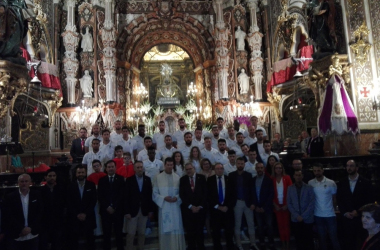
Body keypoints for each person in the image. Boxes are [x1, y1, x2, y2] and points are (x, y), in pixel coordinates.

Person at [337, 159, 374, 250]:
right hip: (347, 218)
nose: (349, 168)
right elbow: (339, 199)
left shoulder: (365, 182)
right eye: (347, 166)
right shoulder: (342, 182)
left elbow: (369, 200)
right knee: (348, 242)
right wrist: (345, 212)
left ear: (357, 168)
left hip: (361, 218)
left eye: (351, 166)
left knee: (362, 241)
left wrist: (358, 211)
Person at [153, 157, 186, 250]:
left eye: (171, 165)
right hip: (164, 207)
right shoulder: (158, 177)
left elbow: (181, 192)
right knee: (165, 229)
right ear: (164, 165)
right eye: (168, 165)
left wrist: (177, 197)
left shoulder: (177, 177)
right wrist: (163, 198)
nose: (170, 167)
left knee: (176, 228)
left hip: (175, 207)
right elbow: (155, 194)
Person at [3, 174, 42, 250]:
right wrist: (21, 228)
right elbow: (8, 215)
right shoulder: (10, 197)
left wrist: (31, 228)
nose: (24, 183)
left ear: (30, 182)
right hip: (17, 235)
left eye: (26, 181)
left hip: (33, 234)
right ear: (18, 183)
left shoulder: (36, 195)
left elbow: (40, 212)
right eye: (22, 181)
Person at [228, 157, 259, 250]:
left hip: (248, 202)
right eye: (239, 163)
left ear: (244, 164)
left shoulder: (248, 175)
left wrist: (253, 203)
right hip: (237, 202)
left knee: (251, 223)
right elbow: (229, 191)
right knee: (237, 224)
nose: (240, 165)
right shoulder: (231, 175)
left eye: (242, 163)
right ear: (236, 164)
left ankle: (253, 243)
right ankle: (238, 244)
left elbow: (252, 190)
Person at [308, 163, 341, 250]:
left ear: (322, 170)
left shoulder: (331, 183)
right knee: (322, 239)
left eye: (318, 170)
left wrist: (334, 209)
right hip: (318, 215)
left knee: (334, 238)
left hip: (330, 214)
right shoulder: (310, 183)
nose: (317, 172)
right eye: (314, 171)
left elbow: (334, 198)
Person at [125, 161, 154, 250]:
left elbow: (150, 196)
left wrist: (150, 210)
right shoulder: (129, 180)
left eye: (141, 167)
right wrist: (127, 211)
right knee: (131, 233)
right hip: (132, 211)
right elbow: (126, 197)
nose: (140, 169)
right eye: (137, 167)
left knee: (142, 233)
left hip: (144, 211)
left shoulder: (147, 179)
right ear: (134, 169)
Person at [66, 166, 97, 250]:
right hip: (75, 217)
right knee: (73, 241)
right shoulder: (70, 186)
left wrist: (85, 213)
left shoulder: (91, 185)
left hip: (88, 217)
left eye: (82, 172)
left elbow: (93, 201)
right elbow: (69, 202)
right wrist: (77, 214)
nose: (81, 174)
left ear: (85, 173)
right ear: (76, 174)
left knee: (90, 240)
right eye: (79, 172)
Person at [97, 160, 125, 250]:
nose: (111, 168)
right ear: (106, 168)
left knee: (118, 233)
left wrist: (114, 206)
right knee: (106, 234)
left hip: (118, 211)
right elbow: (100, 196)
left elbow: (122, 195)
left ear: (115, 168)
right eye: (109, 167)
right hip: (105, 211)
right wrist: (107, 207)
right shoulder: (102, 180)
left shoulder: (121, 179)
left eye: (112, 167)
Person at [179, 162, 207, 250]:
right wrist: (190, 206)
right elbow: (182, 195)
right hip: (188, 211)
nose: (188, 171)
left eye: (190, 169)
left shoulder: (201, 178)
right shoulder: (183, 180)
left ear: (194, 168)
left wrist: (199, 206)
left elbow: (205, 193)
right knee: (190, 232)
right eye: (186, 169)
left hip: (200, 210)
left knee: (200, 232)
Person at [207, 163, 235, 250]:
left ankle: (230, 247)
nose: (219, 170)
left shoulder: (229, 179)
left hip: (227, 210)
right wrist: (217, 206)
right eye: (217, 169)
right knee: (216, 232)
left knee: (229, 231)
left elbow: (233, 195)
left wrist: (227, 206)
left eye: (221, 168)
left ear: (223, 169)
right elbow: (208, 195)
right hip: (215, 210)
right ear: (214, 170)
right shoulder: (210, 180)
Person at [287, 170, 315, 250]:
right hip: (295, 218)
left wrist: (304, 216)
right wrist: (296, 215)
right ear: (294, 176)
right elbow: (289, 203)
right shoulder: (290, 188)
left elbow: (312, 202)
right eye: (296, 175)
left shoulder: (309, 187)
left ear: (302, 176)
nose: (298, 177)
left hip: (307, 218)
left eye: (300, 175)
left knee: (309, 240)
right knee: (298, 240)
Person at [40, 170, 66, 250]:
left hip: (58, 221)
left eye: (54, 176)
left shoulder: (61, 190)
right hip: (45, 222)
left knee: (57, 243)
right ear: (45, 177)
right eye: (50, 176)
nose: (52, 178)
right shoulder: (41, 191)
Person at [252, 162, 275, 250]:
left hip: (267, 208)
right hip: (257, 208)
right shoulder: (253, 180)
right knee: (260, 227)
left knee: (269, 226)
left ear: (264, 169)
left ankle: (271, 244)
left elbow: (271, 194)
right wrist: (256, 206)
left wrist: (264, 207)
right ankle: (262, 243)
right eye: (258, 168)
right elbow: (252, 194)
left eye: (261, 168)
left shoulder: (269, 180)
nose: (260, 169)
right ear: (256, 169)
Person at [272, 162, 292, 250]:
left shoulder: (287, 178)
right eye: (276, 168)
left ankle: (287, 244)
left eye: (280, 168)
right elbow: (270, 194)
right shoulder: (272, 179)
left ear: (282, 169)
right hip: (277, 206)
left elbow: (291, 192)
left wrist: (287, 204)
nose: (278, 170)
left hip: (285, 206)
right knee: (280, 226)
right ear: (274, 169)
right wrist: (275, 204)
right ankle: (282, 243)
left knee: (286, 225)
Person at [86, 160, 106, 236]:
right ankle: (98, 232)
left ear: (101, 166)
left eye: (98, 166)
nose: (96, 167)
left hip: (104, 198)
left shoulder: (104, 175)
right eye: (94, 166)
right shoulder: (90, 177)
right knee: (96, 214)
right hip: (95, 198)